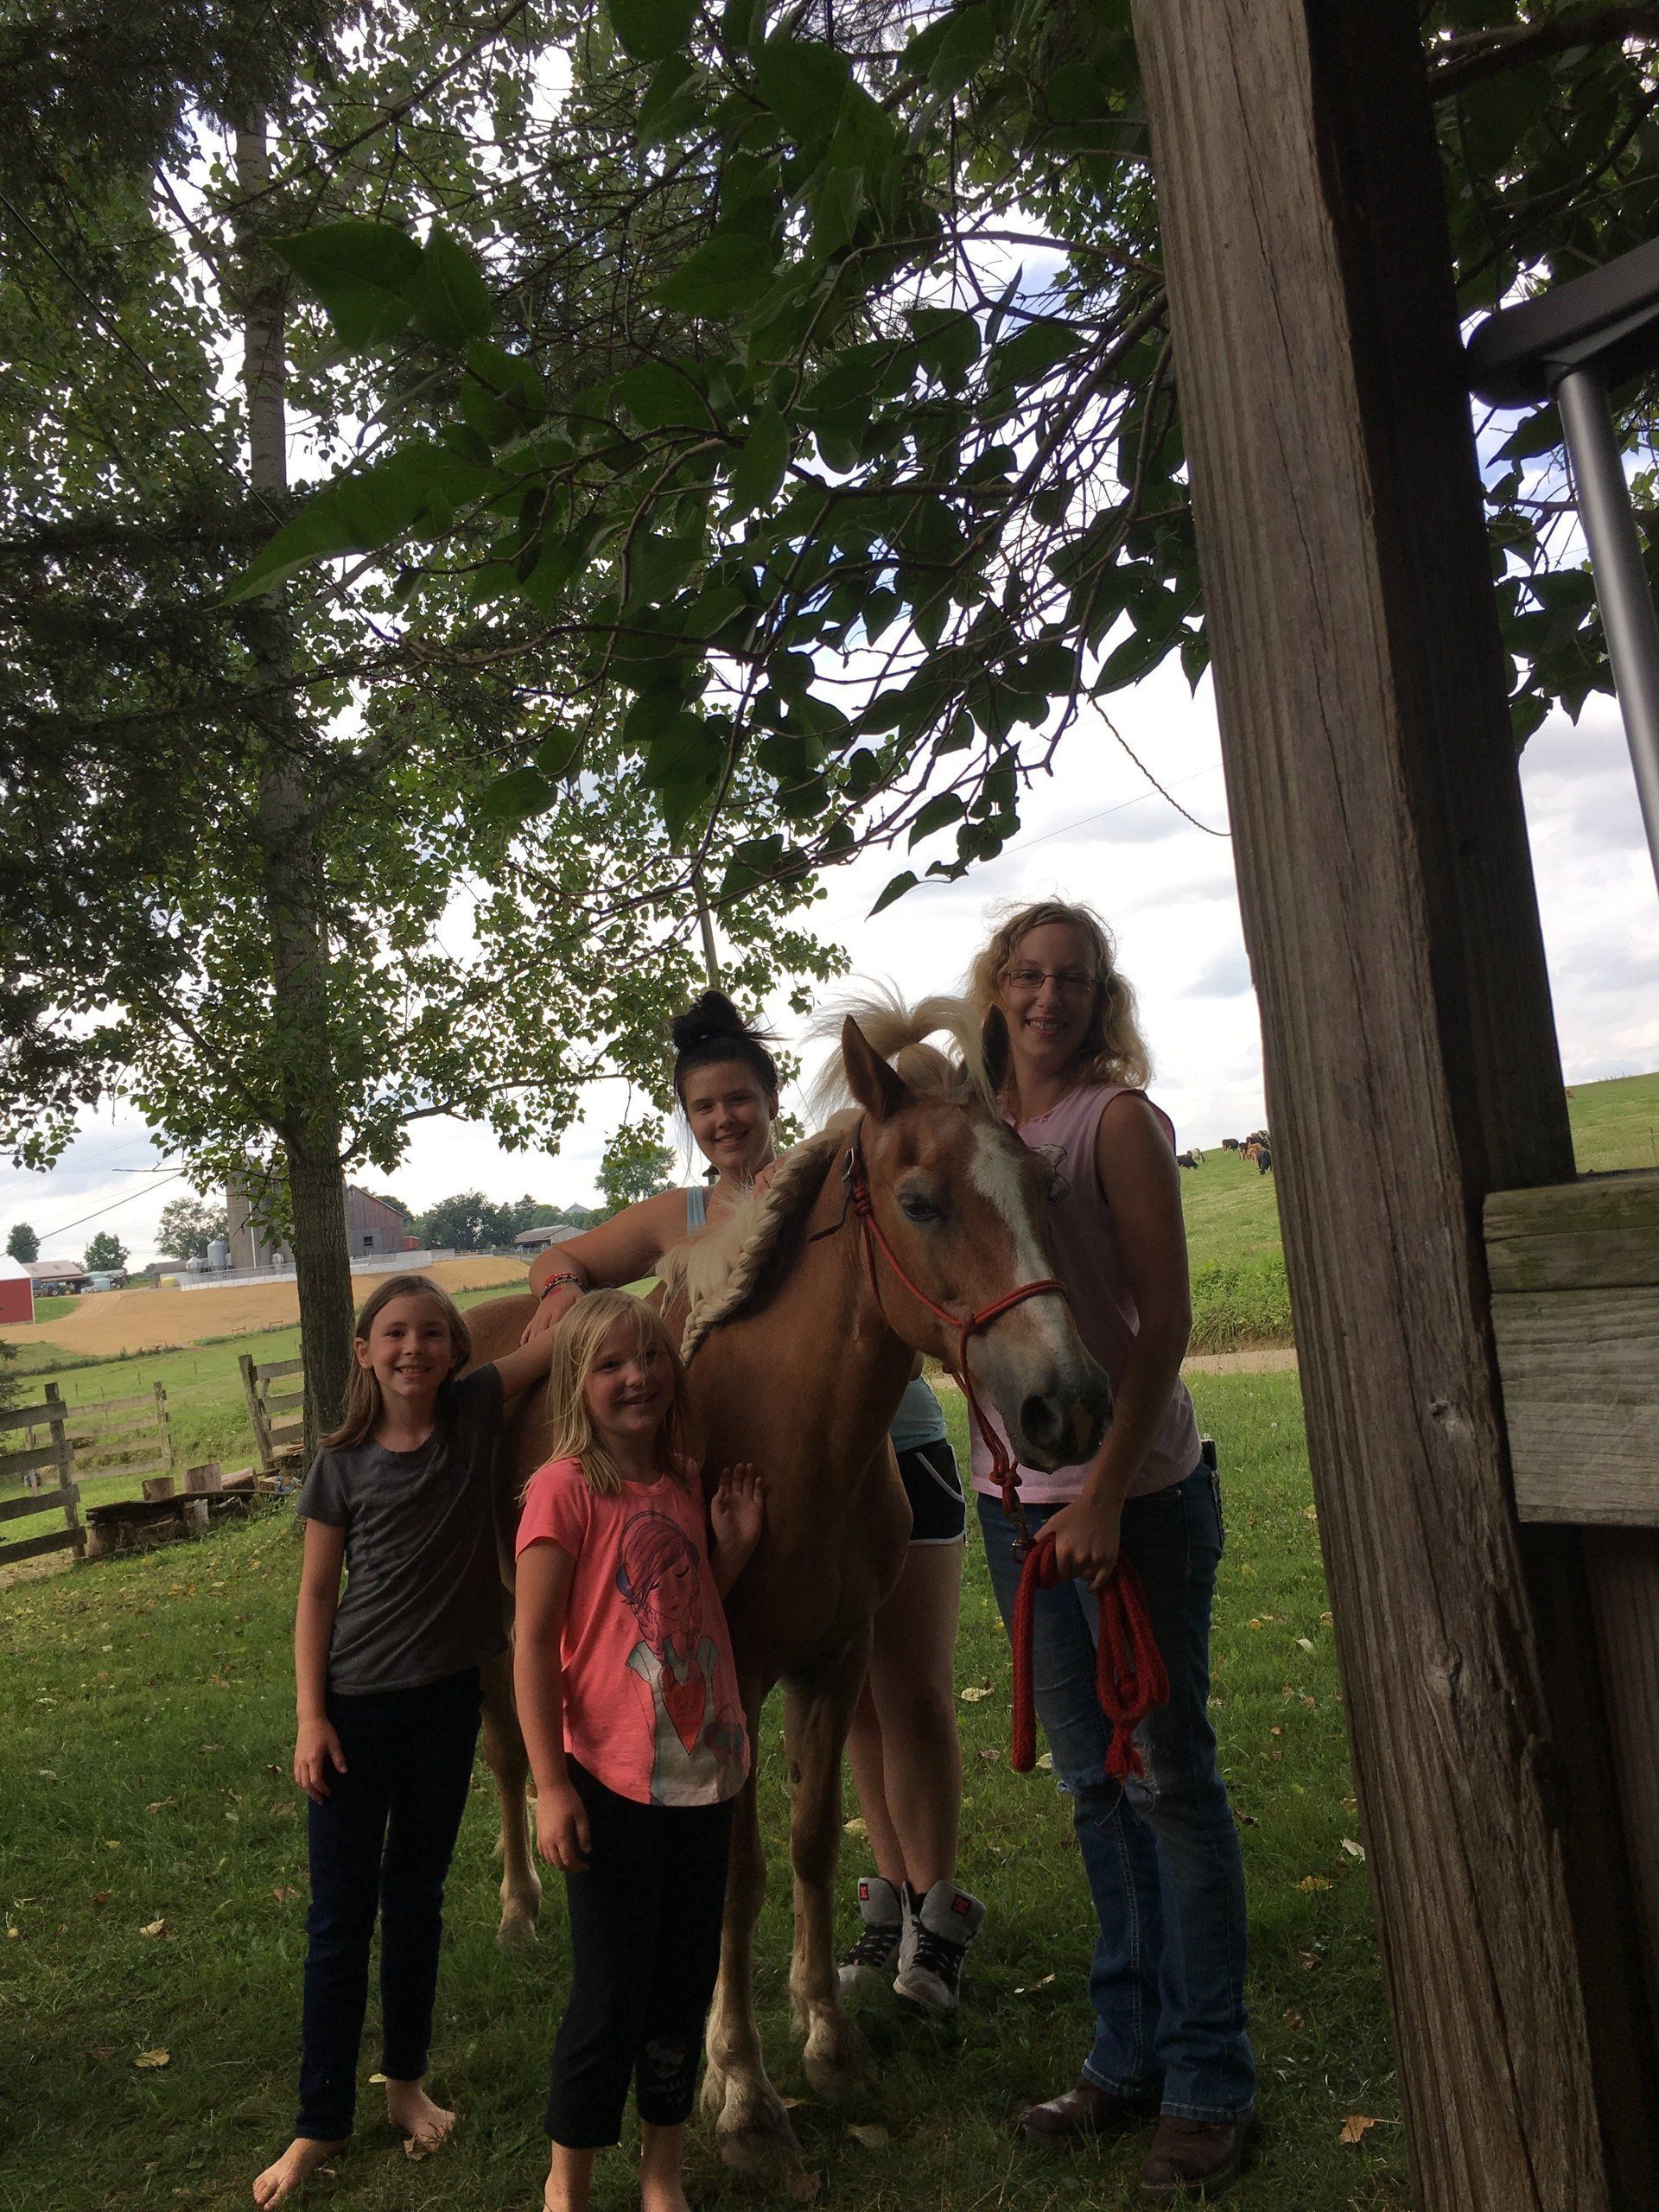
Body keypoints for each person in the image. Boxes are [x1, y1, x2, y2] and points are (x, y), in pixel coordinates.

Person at [523, 990, 982, 2012]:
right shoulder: (686, 1215)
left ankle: (936, 1914)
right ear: (687, 1120)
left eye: (739, 1098)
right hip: (767, 1477)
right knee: (850, 1700)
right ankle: (883, 1904)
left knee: (910, 1690)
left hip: (895, 1450)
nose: (725, 1119)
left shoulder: (829, 1174)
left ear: (773, 1099)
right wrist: (557, 1294)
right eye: (703, 1107)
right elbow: (566, 1260)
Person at [962, 901, 1255, 2201]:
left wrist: (1107, 1497)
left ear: (1100, 996)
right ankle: (1123, 2057)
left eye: (1071, 979)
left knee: (1167, 1782)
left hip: (1131, 1496)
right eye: (1027, 975)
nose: (1047, 997)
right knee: (1094, 1789)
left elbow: (1168, 1315)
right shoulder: (974, 1134)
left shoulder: (1111, 1123)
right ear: (996, 987)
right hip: (1013, 1500)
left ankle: (1208, 2084)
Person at [254, 1274, 558, 2209]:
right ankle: (318, 2120)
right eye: (394, 1334)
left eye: (433, 1334)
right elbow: (315, 1596)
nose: (413, 1349)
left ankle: (406, 2086)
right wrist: (311, 1716)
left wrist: (575, 1281)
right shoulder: (338, 1463)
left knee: (418, 1902)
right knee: (340, 1922)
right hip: (354, 1713)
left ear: (457, 1352)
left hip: (444, 1709)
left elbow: (559, 1334)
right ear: (363, 1351)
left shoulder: (476, 1415)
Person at [513, 1290, 765, 2212]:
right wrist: (549, 1784)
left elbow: (683, 1612)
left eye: (651, 1357)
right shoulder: (563, 1491)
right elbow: (534, 1642)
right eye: (611, 1364)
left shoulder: (680, 1482)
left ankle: (664, 2173)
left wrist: (730, 1548)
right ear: (577, 1384)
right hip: (610, 1781)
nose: (637, 1377)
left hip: (705, 1774)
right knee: (610, 1998)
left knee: (682, 1988)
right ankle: (566, 2183)